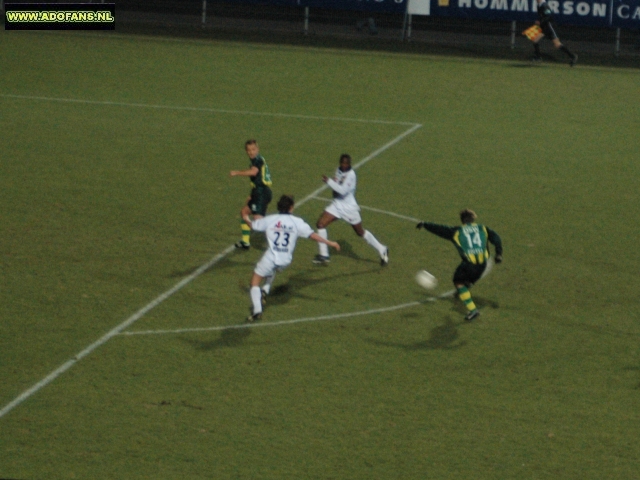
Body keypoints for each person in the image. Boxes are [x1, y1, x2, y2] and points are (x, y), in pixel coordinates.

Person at [243, 194, 340, 322]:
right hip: (285, 260)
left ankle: (257, 311)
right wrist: (329, 243)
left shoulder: (270, 219)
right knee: (272, 270)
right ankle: (265, 290)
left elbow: (253, 225)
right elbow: (312, 235)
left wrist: (245, 217)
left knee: (254, 282)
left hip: (271, 257)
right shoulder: (297, 222)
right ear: (291, 208)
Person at [416, 209, 503, 321]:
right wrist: (499, 254)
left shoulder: (457, 231)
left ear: (462, 220)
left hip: (469, 265)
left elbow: (440, 230)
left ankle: (473, 310)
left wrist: (425, 224)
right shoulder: (483, 228)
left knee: (458, 281)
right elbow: (497, 239)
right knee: (466, 278)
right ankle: (466, 286)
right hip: (483, 265)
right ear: (473, 219)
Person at [313, 154, 389, 266]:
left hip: (349, 208)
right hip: (337, 204)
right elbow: (337, 186)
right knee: (320, 224)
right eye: (342, 163)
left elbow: (342, 190)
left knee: (360, 232)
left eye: (346, 163)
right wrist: (333, 185)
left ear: (349, 164)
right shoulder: (338, 170)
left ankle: (382, 248)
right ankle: (324, 255)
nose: (344, 165)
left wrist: (329, 181)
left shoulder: (351, 175)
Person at [230, 139, 273, 250]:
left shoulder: (257, 160)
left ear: (257, 149)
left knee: (259, 222)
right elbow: (256, 180)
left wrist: (237, 173)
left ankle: (276, 241)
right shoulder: (256, 160)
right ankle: (245, 242)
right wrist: (251, 195)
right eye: (249, 150)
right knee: (244, 212)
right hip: (257, 192)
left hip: (262, 193)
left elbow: (254, 172)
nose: (251, 152)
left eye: (253, 149)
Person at [531, 0, 578, 66]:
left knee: (557, 44)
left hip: (549, 27)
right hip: (544, 27)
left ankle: (572, 56)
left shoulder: (544, 5)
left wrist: (540, 21)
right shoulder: (540, 5)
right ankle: (538, 57)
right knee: (535, 40)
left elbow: (548, 16)